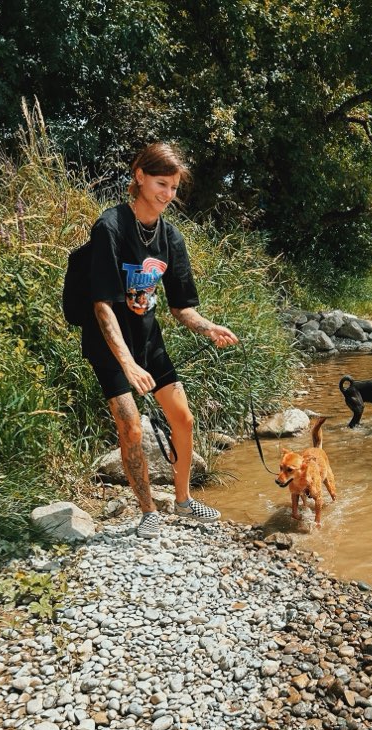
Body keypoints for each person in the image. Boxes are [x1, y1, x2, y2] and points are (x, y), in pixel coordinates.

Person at [81, 142, 239, 538]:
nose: (167, 194)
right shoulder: (110, 228)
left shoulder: (171, 238)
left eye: (173, 187)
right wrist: (128, 364)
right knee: (132, 428)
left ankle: (183, 500)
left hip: (149, 340)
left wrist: (209, 328)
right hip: (109, 345)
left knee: (183, 419)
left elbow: (181, 308)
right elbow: (101, 306)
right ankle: (148, 511)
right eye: (160, 184)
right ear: (139, 177)